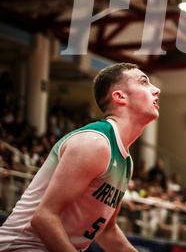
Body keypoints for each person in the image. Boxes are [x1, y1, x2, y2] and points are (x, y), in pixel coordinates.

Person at [0, 63, 161, 252]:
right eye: (144, 82)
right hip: (21, 246)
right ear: (120, 96)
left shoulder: (126, 161)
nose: (156, 90)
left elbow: (106, 230)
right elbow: (44, 217)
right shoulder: (95, 143)